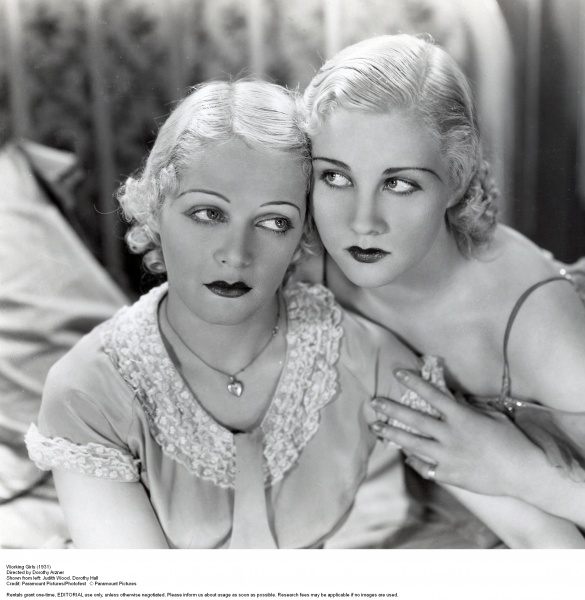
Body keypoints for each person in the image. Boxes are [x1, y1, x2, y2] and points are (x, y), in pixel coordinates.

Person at [301, 34, 585, 548]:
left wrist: (518, 469)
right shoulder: (308, 264)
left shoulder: (530, 316)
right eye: (336, 178)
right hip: (452, 506)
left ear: (456, 180)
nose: (362, 222)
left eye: (399, 184)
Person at [24, 80, 422, 549]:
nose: (237, 254)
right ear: (155, 209)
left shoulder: (361, 355)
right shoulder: (86, 389)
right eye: (208, 214)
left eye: (274, 222)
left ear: (303, 234)